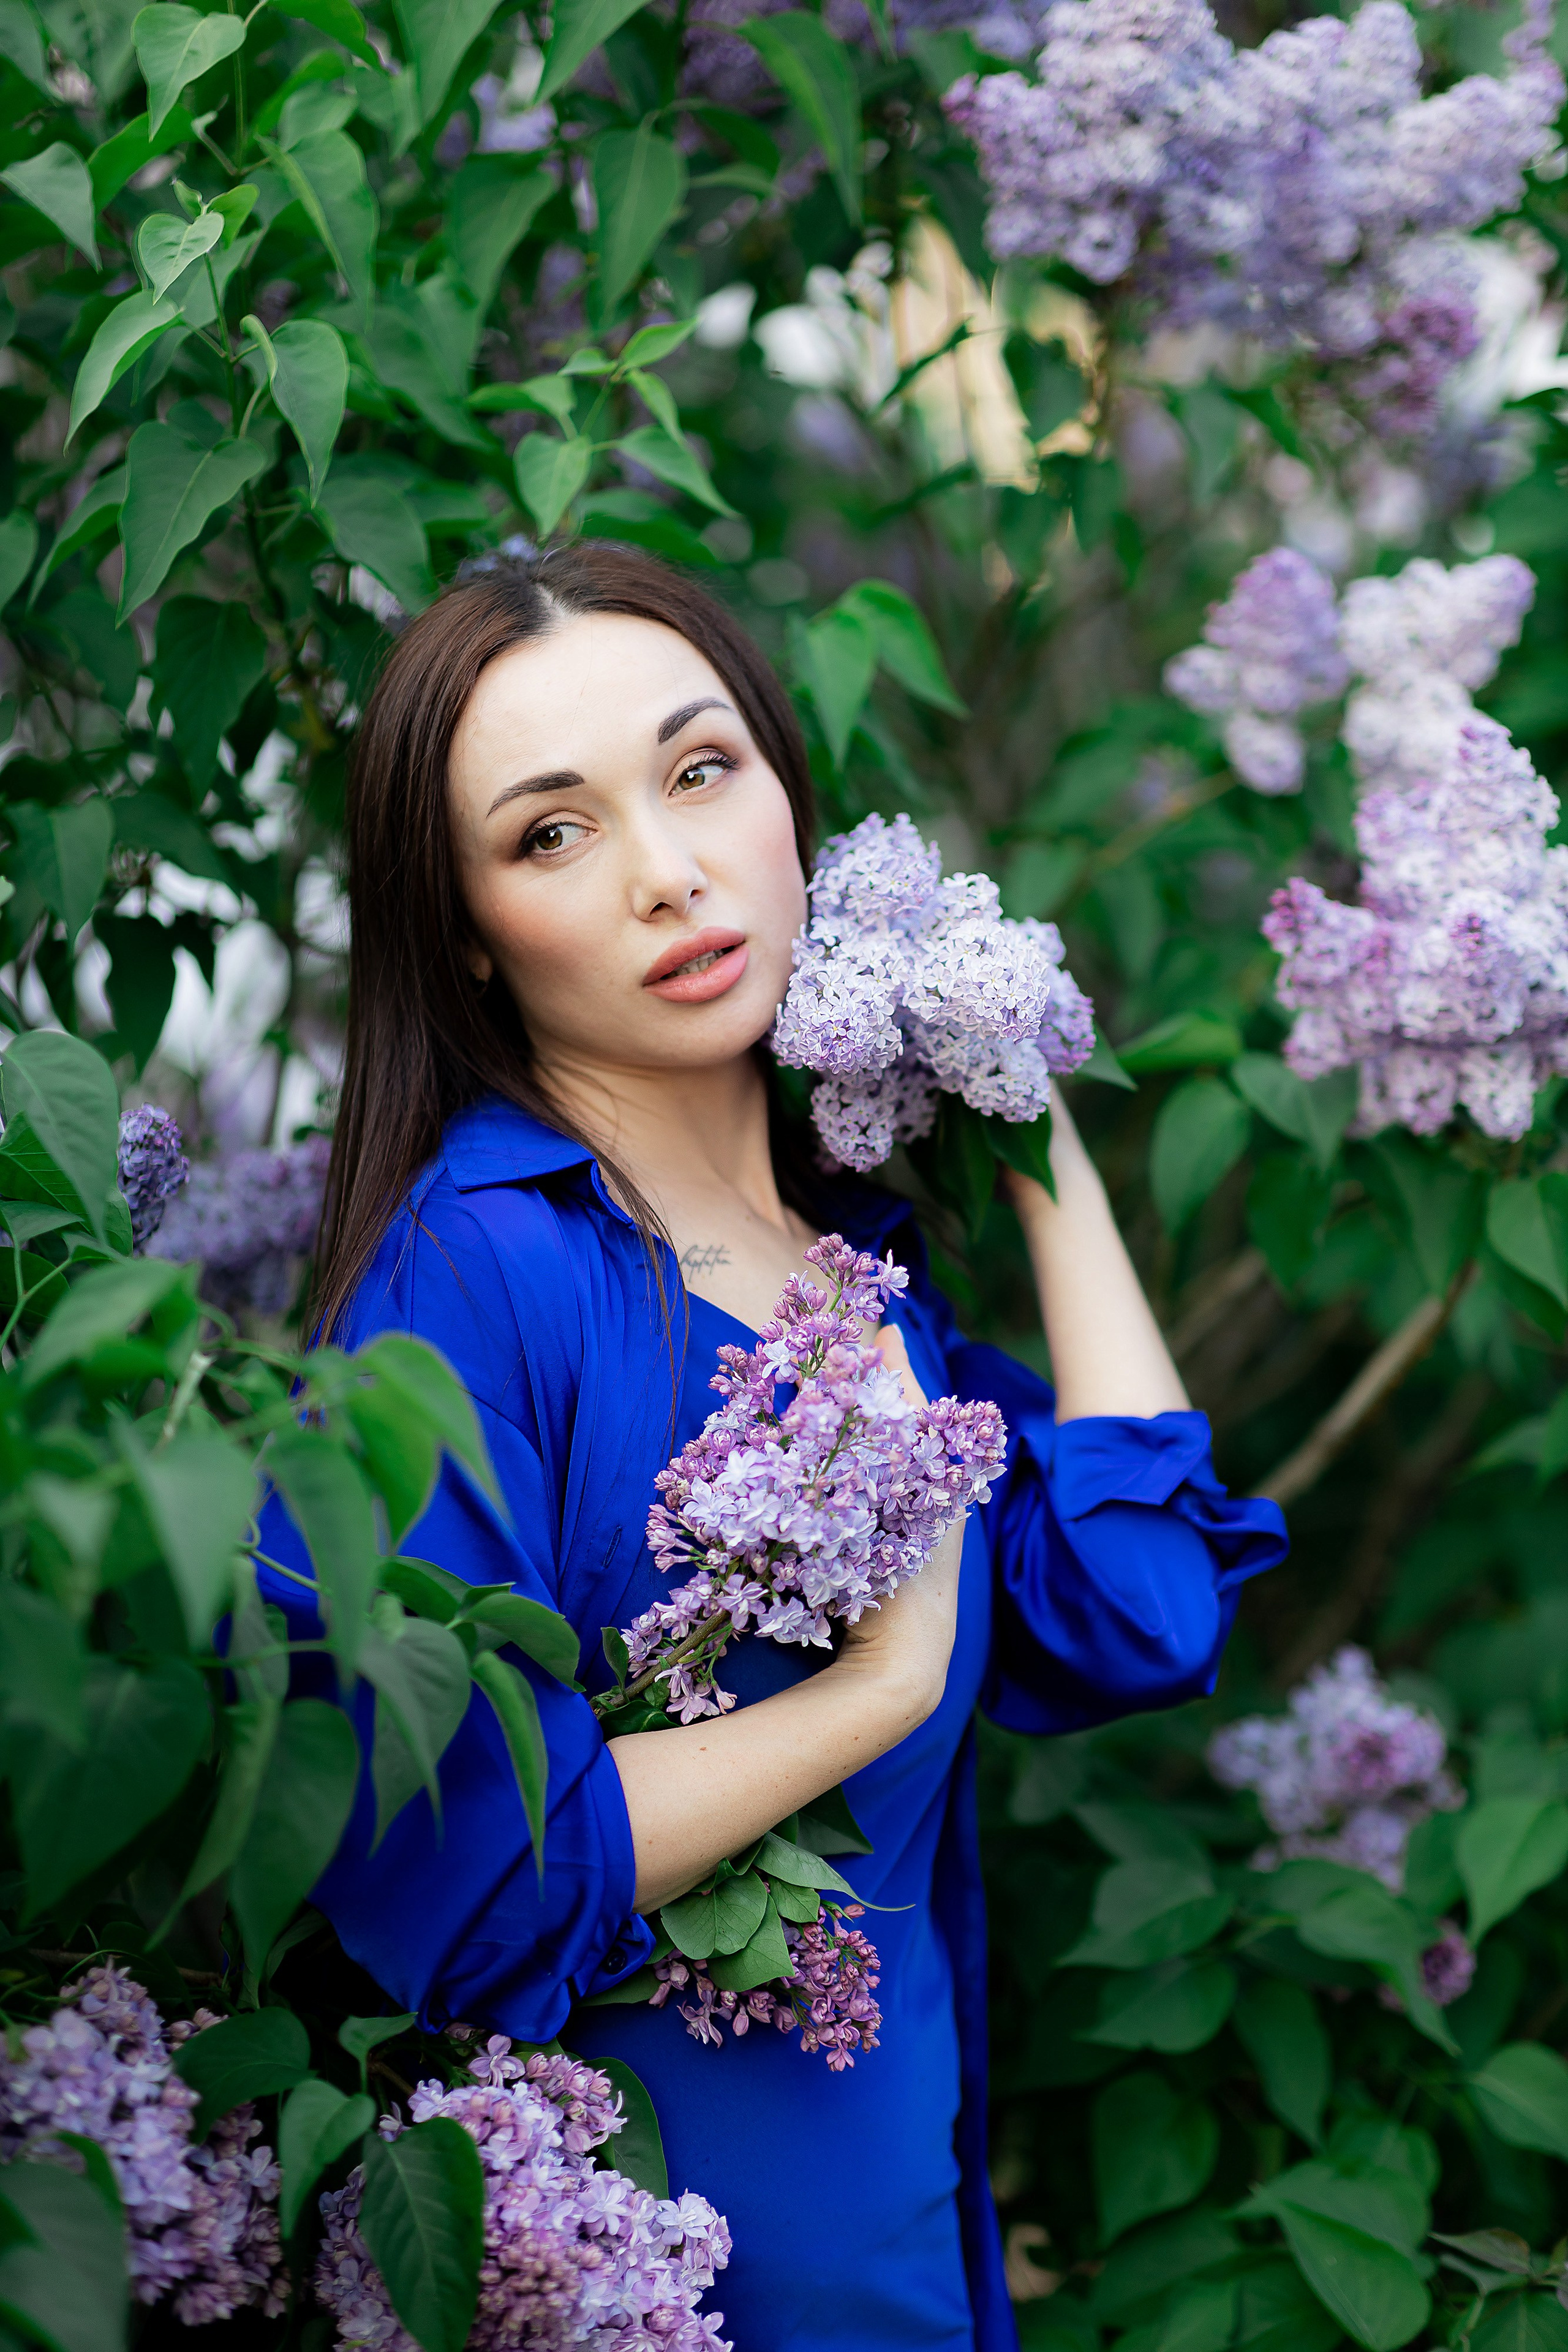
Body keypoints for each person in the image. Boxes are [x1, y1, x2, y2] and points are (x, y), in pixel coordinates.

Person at [258, 543, 1287, 2352]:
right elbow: (463, 1872)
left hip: (908, 2273)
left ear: (789, 802)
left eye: (701, 770)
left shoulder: (856, 1283)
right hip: (644, 2291)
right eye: (552, 833)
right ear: (472, 936)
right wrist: (870, 1697)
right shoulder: (478, 1284)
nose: (669, 872)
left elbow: (1144, 1608)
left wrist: (1025, 1115)